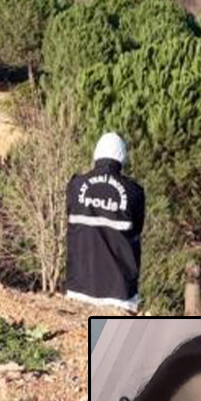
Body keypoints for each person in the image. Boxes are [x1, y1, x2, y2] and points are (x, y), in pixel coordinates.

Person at [66, 133, 145, 313]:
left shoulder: (75, 186)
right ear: (122, 158)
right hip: (120, 294)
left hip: (78, 288)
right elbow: (138, 229)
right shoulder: (134, 192)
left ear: (96, 154)